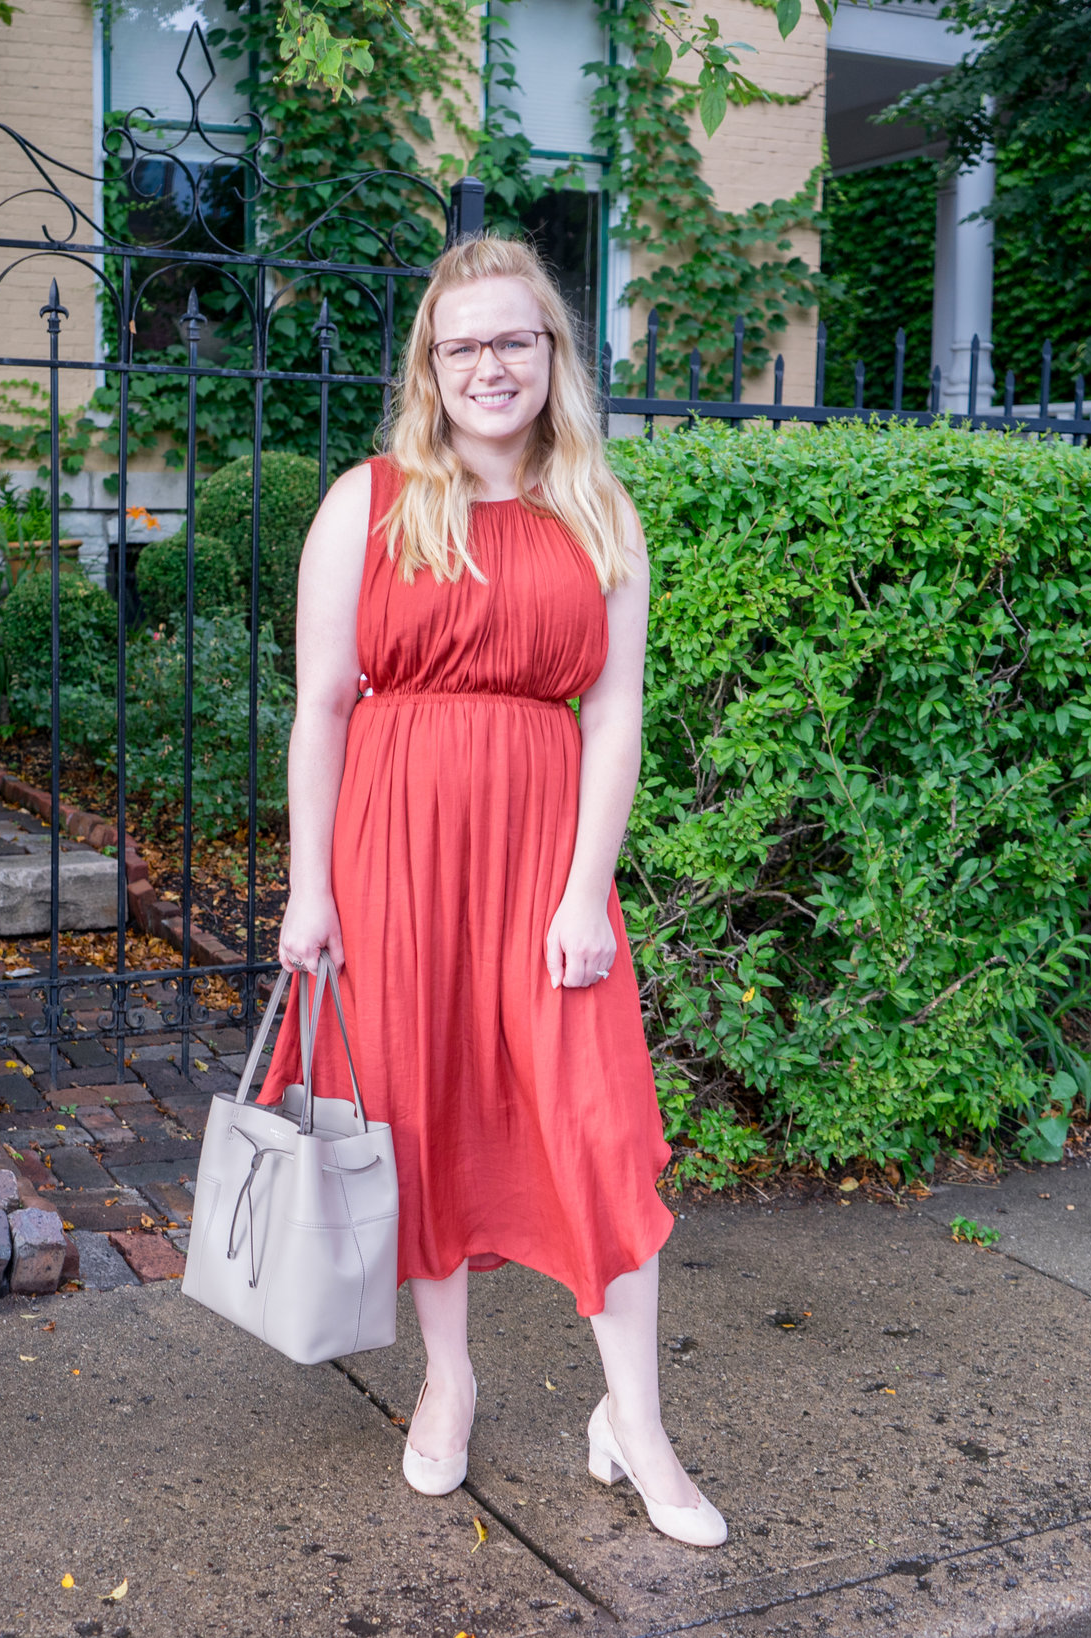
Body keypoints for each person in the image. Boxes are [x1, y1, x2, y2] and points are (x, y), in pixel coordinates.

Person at [260, 234, 724, 1548]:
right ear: (431, 364)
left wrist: (587, 888)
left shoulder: (600, 510)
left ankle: (632, 1421)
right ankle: (448, 1379)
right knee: (420, 1119)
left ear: (552, 352)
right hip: (392, 858)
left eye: (514, 339)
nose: (489, 366)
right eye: (462, 344)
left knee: (600, 1129)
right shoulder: (368, 501)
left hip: (540, 866)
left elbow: (618, 714)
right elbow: (320, 712)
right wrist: (311, 892)